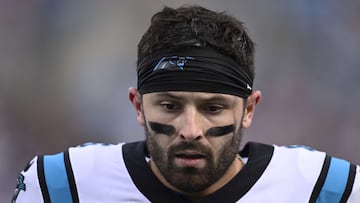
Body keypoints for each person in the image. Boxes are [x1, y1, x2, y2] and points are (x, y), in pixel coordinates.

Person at [13, 5, 359, 203]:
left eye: (213, 108)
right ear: (137, 105)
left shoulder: (324, 189)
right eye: (169, 106)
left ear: (249, 110)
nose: (190, 131)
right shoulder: (64, 185)